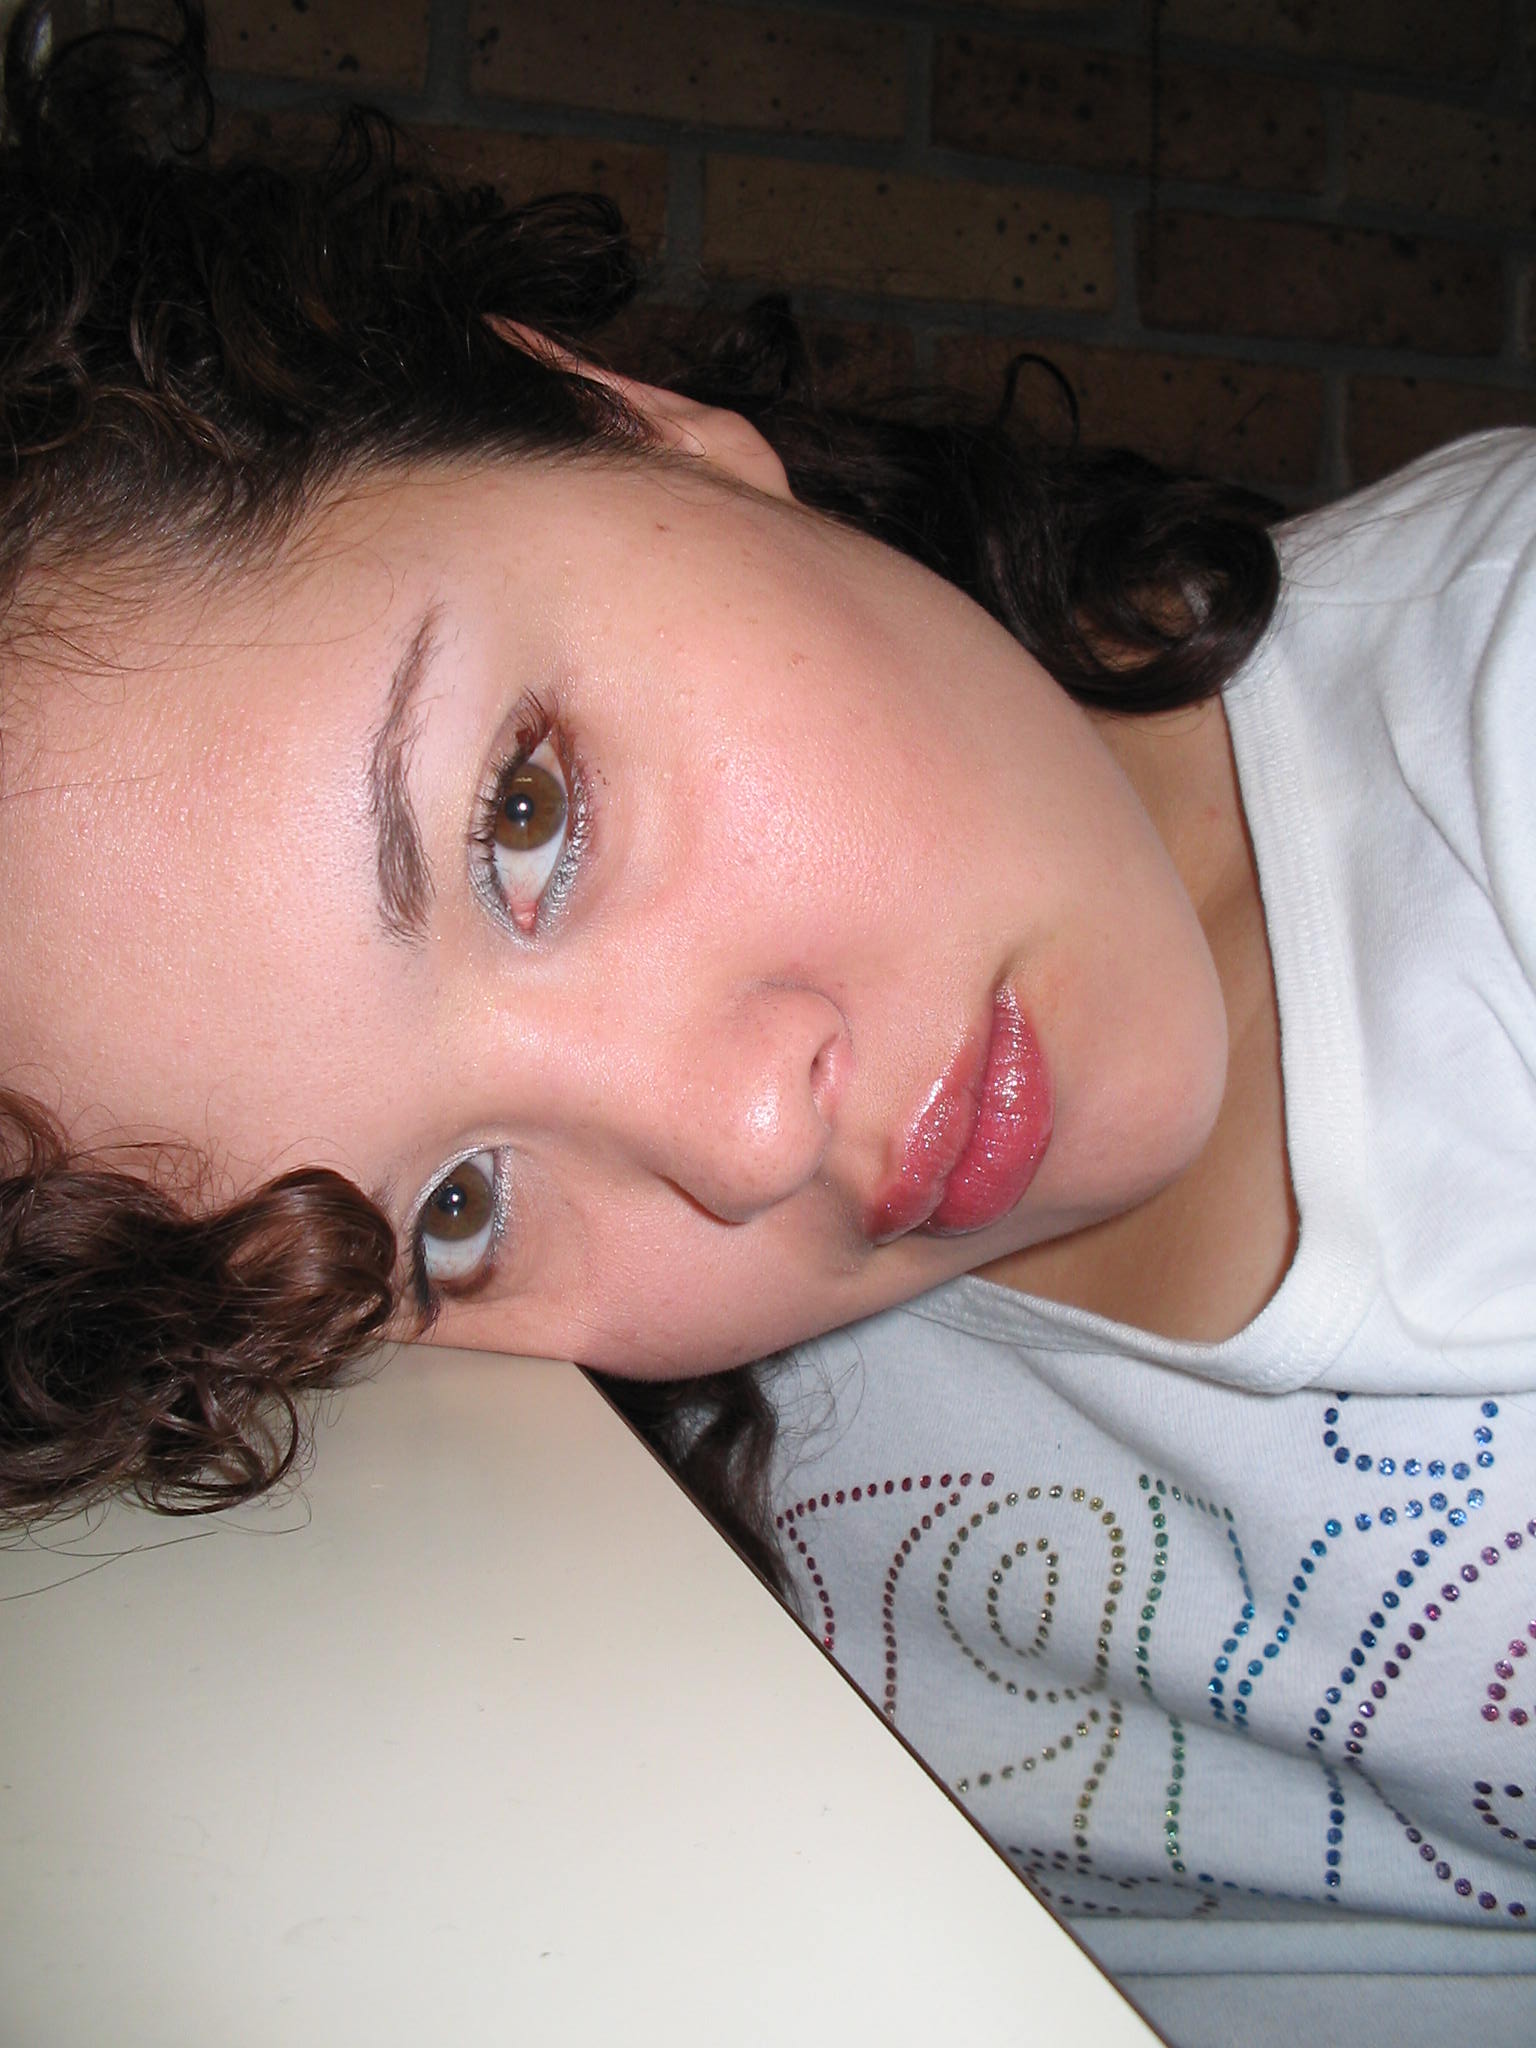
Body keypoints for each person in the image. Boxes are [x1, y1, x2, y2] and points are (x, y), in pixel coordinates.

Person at [2, 0, 1532, 1955]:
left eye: (526, 814)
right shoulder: (666, 1522)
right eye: (455, 1209)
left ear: (626, 421)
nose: (738, 1144)